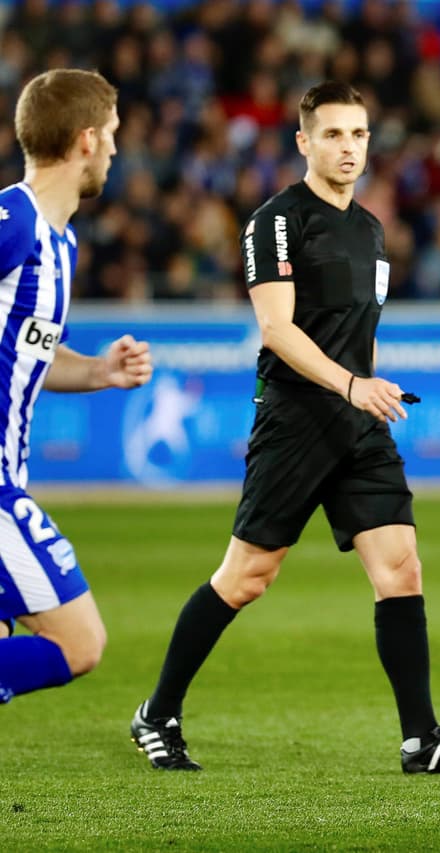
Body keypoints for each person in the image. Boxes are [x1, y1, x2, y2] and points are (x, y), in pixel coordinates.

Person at [129, 82, 440, 775]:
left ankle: (421, 738)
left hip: (359, 422)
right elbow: (277, 330)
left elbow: (345, 333)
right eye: (333, 134)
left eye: (359, 134)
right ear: (304, 142)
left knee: (401, 569)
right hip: (297, 418)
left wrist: (368, 383)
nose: (347, 147)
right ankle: (156, 712)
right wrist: (349, 383)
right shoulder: (277, 222)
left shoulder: (369, 228)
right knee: (247, 575)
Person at [0, 69, 154, 704]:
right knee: (79, 642)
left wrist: (96, 371)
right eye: (112, 135)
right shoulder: (13, 219)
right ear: (86, 140)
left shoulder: (60, 243)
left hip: (14, 476)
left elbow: (26, 350)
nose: (117, 150)